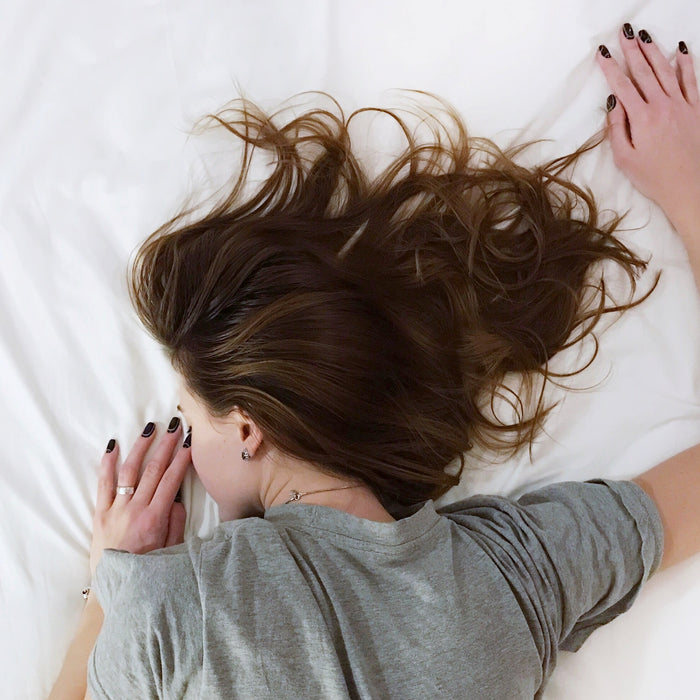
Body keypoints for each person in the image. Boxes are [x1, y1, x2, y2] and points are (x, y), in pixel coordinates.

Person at [49, 23, 700, 700]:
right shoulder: (513, 574)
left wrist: (111, 586)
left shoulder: (168, 613)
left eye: (190, 420)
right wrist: (689, 189)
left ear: (247, 429)